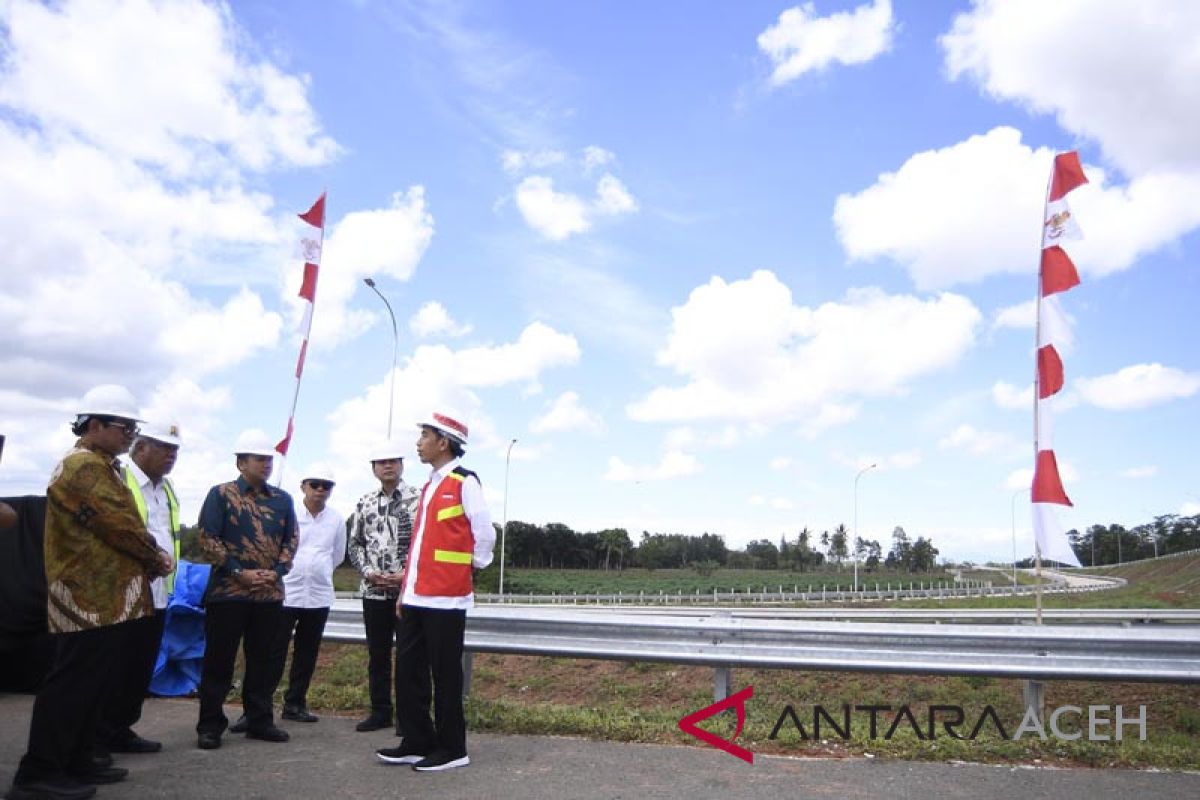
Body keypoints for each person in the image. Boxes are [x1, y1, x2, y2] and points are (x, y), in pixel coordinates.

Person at [7, 385, 172, 800]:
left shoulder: (105, 464)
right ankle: (38, 773)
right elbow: (118, 524)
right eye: (124, 427)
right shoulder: (82, 466)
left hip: (109, 598)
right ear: (94, 424)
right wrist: (155, 557)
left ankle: (76, 760)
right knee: (71, 684)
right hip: (87, 598)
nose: (131, 435)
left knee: (95, 684)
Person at [377, 412, 495, 772]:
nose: (418, 442)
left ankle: (452, 748)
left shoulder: (464, 481)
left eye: (424, 435)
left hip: (446, 597)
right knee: (409, 672)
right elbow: (419, 546)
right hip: (415, 597)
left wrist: (466, 568)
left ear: (443, 442)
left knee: (445, 676)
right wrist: (404, 591)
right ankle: (417, 740)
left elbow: (485, 535)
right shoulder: (430, 484)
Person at [194, 431, 296, 751]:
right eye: (258, 458)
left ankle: (259, 720)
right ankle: (210, 724)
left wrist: (276, 572)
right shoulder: (221, 495)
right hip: (228, 593)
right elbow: (208, 539)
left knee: (263, 662)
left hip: (268, 595)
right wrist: (239, 572)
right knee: (218, 662)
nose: (265, 464)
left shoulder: (282, 500)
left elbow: (291, 541)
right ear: (241, 463)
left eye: (269, 459)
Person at [95, 422, 183, 757]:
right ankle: (97, 737)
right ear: (141, 447)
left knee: (139, 668)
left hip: (158, 593)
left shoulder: (168, 489)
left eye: (175, 450)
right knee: (114, 667)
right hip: (124, 593)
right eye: (164, 448)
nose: (171, 455)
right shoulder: (121, 479)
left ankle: (121, 728)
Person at [346, 442, 420, 733]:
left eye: (393, 461)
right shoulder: (364, 502)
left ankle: (408, 717)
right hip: (374, 591)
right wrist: (369, 573)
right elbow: (355, 544)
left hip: (408, 593)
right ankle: (380, 711)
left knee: (409, 657)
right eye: (381, 462)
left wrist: (405, 575)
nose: (387, 466)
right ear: (373, 468)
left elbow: (424, 543)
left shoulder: (419, 498)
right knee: (377, 655)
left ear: (402, 465)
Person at [265, 464, 346, 723]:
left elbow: (337, 555)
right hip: (286, 592)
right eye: (315, 484)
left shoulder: (336, 519)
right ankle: (258, 708)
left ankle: (295, 704)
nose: (320, 490)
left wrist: (319, 571)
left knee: (307, 653)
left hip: (318, 595)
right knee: (273, 652)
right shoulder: (288, 514)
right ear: (303, 486)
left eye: (326, 485)